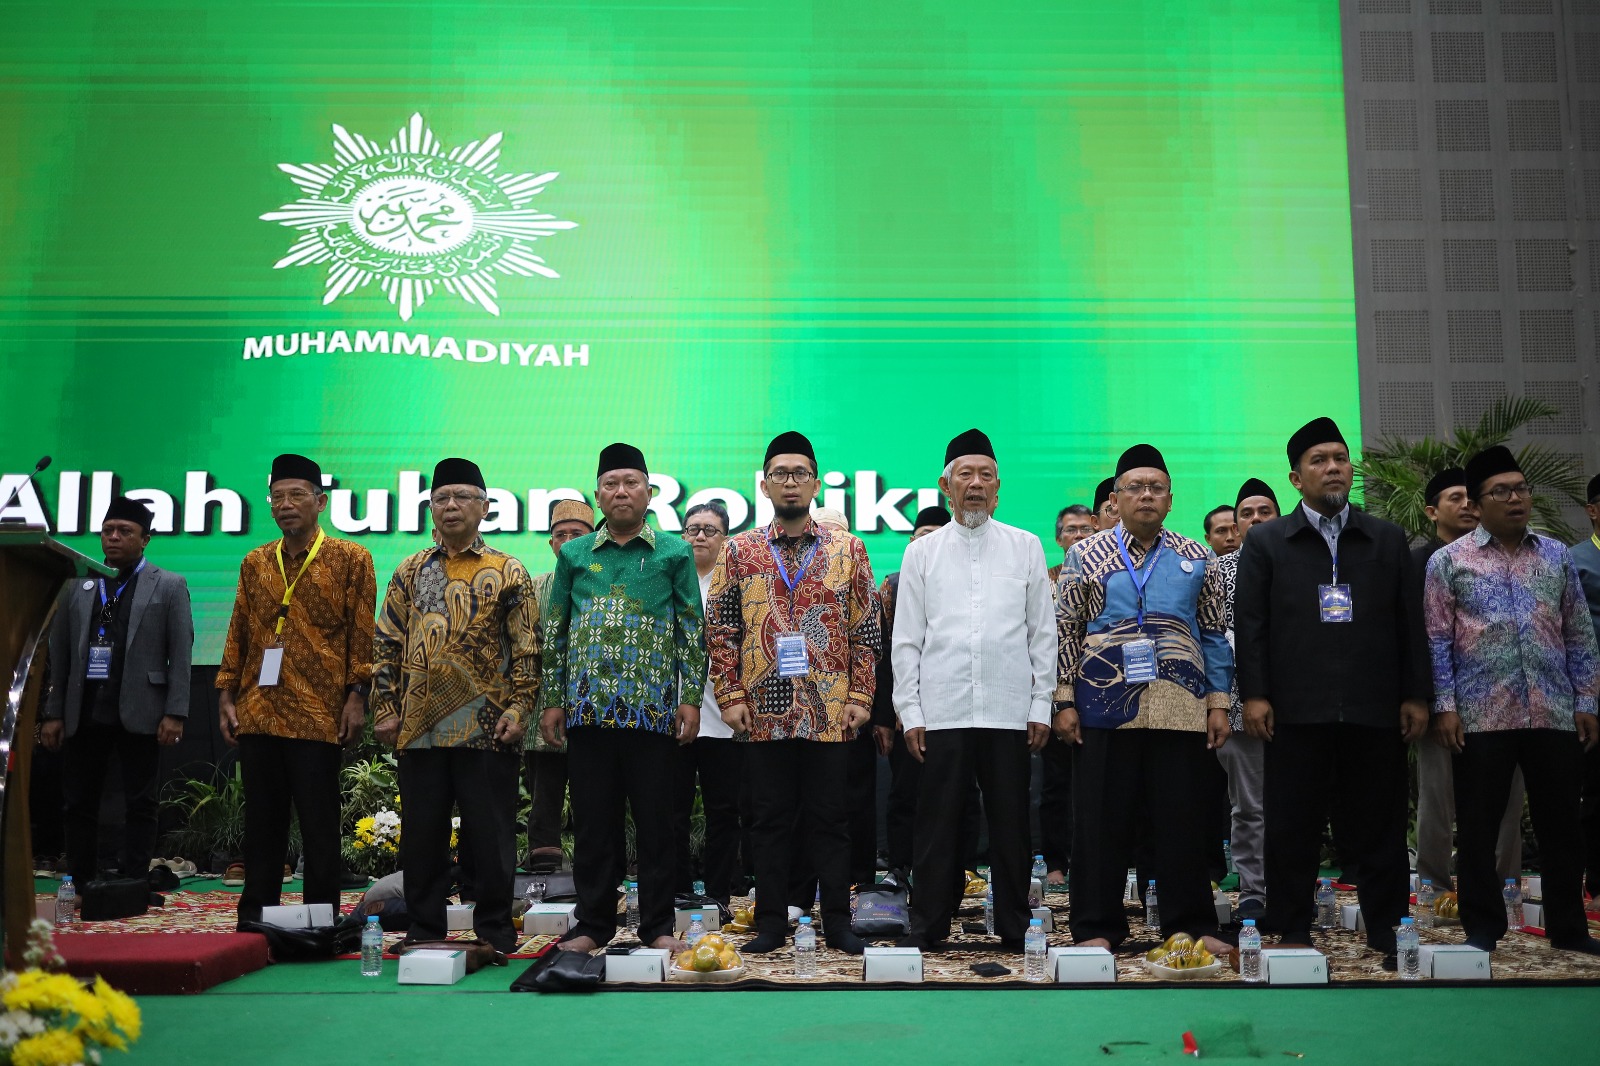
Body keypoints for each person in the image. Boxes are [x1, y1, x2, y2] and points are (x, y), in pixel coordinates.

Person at [1234, 417, 1427, 967]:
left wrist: (1416, 694)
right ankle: (1293, 928)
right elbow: (1251, 624)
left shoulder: (1385, 538)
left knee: (1380, 826)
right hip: (1296, 710)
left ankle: (1387, 931)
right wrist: (1255, 695)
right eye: (1319, 460)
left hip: (1374, 707)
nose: (1333, 467)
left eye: (1340, 458)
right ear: (1296, 478)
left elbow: (1409, 623)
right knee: (1292, 825)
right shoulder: (1269, 541)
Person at [706, 432, 879, 954]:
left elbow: (865, 630)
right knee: (768, 820)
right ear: (764, 485)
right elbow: (721, 630)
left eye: (800, 473)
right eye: (780, 474)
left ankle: (838, 922)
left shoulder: (848, 549)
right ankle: (770, 923)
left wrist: (861, 696)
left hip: (830, 708)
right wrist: (730, 695)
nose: (790, 482)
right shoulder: (740, 551)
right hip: (763, 709)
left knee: (832, 819)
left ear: (815, 483)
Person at [1056, 444, 1232, 953]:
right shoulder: (1085, 555)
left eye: (1156, 487)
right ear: (1115, 499)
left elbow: (1214, 633)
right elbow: (1065, 630)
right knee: (1100, 823)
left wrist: (1219, 701)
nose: (1146, 495)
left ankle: (1191, 926)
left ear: (1171, 499)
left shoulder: (1196, 557)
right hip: (1103, 708)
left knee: (1183, 821)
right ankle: (1096, 928)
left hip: (1181, 707)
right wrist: (1063, 699)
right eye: (1135, 487)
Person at [1425, 447, 1600, 953]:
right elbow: (1436, 639)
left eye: (1521, 488)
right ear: (1477, 504)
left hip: (1553, 710)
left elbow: (1579, 634)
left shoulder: (1556, 555)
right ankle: (1483, 928)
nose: (1515, 498)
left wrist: (1587, 701)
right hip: (1481, 715)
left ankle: (1569, 929)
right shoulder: (1448, 562)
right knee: (1478, 827)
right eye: (1501, 491)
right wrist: (1445, 705)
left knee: (1561, 825)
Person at [893, 429, 1054, 951]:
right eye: (966, 474)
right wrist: (910, 710)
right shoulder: (923, 553)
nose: (977, 484)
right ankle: (929, 926)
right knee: (937, 825)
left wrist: (1041, 705)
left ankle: (1015, 926)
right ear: (947, 485)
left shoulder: (1025, 546)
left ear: (998, 487)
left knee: (1011, 825)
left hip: (1009, 708)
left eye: (986, 475)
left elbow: (1042, 634)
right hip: (942, 709)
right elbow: (907, 638)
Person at [542, 443, 704, 953]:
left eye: (631, 482)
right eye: (611, 484)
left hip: (652, 712)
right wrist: (552, 700)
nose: (621, 492)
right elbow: (556, 631)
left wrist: (690, 697)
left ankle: (657, 927)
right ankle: (593, 924)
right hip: (587, 711)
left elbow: (692, 629)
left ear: (649, 492)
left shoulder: (673, 553)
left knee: (657, 824)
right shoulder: (575, 555)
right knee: (594, 825)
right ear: (598, 496)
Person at [372, 458, 535, 954]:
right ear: (430, 509)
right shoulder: (410, 570)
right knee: (422, 836)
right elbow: (386, 641)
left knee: (491, 835)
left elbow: (527, 647)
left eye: (462, 497)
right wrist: (385, 707)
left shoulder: (508, 570)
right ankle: (424, 929)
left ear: (484, 507)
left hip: (488, 726)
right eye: (441, 498)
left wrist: (520, 708)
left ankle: (495, 931)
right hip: (419, 727)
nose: (451, 506)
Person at [217, 454, 375, 925]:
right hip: (259, 707)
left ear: (320, 503)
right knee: (262, 822)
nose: (285, 505)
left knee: (318, 823)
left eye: (296, 495)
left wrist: (357, 696)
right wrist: (226, 694)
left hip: (318, 711)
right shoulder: (255, 562)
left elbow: (362, 635)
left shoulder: (351, 559)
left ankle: (319, 921)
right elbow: (239, 630)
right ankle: (255, 918)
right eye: (277, 497)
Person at [43, 496, 192, 892]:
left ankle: (134, 881)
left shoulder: (169, 584)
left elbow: (181, 653)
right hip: (84, 708)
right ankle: (81, 881)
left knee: (140, 802)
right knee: (78, 802)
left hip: (142, 709)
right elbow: (59, 653)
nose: (113, 537)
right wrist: (53, 712)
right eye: (108, 530)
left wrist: (175, 712)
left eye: (125, 531)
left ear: (145, 539)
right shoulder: (77, 583)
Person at [1411, 469, 1523, 891]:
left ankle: (1503, 888)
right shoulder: (1417, 563)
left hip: (1505, 701)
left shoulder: (1506, 554)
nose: (1465, 506)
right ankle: (1434, 888)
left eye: (1469, 498)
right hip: (1441, 701)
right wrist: (1428, 699)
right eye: (1454, 498)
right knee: (1438, 799)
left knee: (1506, 801)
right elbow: (1419, 637)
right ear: (1432, 511)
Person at [874, 505, 964, 876]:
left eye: (937, 534)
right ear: (911, 541)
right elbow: (883, 655)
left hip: (956, 706)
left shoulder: (967, 584)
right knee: (905, 791)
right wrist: (887, 714)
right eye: (923, 535)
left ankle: (959, 868)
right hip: (905, 711)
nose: (929, 542)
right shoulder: (893, 586)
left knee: (960, 793)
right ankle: (900, 867)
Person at [1211, 477, 1280, 923]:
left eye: (1264, 512)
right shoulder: (1216, 573)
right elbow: (1211, 639)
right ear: (1235, 525)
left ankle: (1292, 888)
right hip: (1237, 707)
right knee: (1249, 806)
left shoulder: (1302, 562)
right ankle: (1254, 890)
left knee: (1295, 806)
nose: (1255, 520)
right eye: (1247, 514)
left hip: (1299, 705)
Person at [674, 500, 746, 907]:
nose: (700, 536)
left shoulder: (736, 585)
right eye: (692, 529)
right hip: (674, 718)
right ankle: (677, 891)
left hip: (724, 718)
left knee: (724, 812)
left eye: (709, 530)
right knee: (672, 811)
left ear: (726, 539)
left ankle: (719, 894)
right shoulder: (670, 580)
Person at [523, 498, 595, 871]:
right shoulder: (534, 588)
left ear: (593, 539)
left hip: (592, 706)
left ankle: (594, 865)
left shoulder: (604, 584)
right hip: (543, 707)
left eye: (576, 534)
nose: (567, 542)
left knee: (594, 791)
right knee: (545, 790)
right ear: (551, 543)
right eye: (560, 535)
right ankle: (544, 858)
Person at [1571, 473, 1600, 895]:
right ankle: (1596, 880)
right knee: (1595, 791)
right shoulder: (1574, 560)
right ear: (1592, 510)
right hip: (1594, 694)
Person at [1050, 505, 1097, 587]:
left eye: (1086, 529)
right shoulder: (1047, 578)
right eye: (1071, 530)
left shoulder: (1108, 574)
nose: (1079, 535)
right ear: (1059, 540)